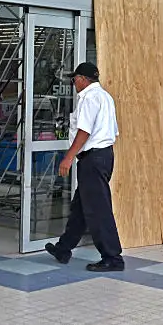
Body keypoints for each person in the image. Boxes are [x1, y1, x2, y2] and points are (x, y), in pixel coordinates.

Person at [45, 62, 124, 272]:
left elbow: (84, 131)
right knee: (80, 207)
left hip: (93, 159)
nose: (73, 83)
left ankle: (112, 257)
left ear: (82, 79)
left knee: (98, 209)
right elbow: (113, 131)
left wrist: (68, 157)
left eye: (74, 79)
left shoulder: (89, 98)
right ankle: (64, 248)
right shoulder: (106, 97)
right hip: (104, 156)